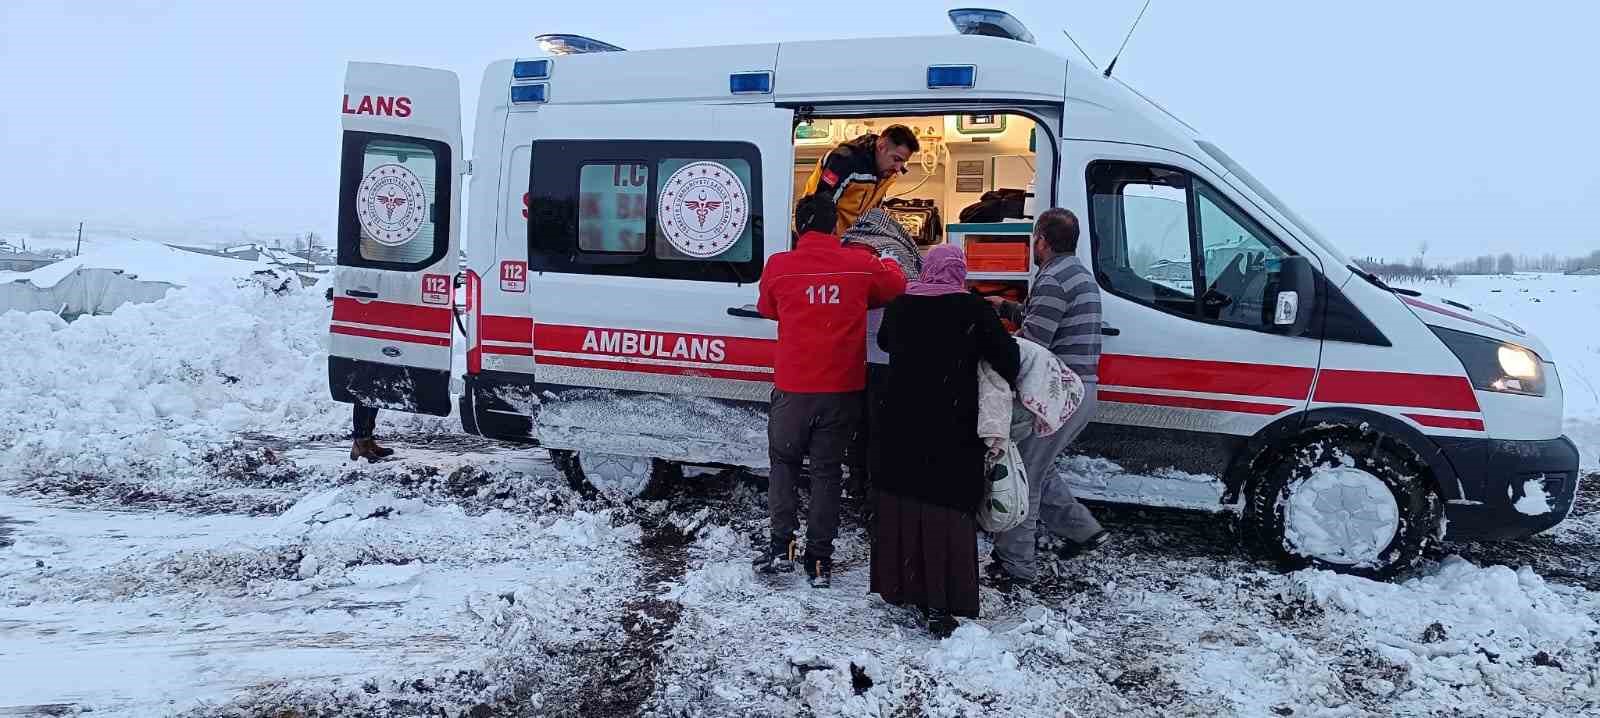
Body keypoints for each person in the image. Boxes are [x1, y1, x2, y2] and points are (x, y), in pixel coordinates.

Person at [755, 194, 907, 588]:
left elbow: (767, 308)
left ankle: (780, 547)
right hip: (842, 389)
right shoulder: (859, 264)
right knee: (826, 473)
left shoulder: (780, 266)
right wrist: (888, 255)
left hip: (794, 388)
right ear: (835, 226)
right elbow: (894, 286)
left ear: (799, 226)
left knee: (784, 465)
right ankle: (819, 560)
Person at [873, 244, 1020, 636]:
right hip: (950, 428)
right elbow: (1009, 359)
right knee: (944, 513)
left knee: (905, 505)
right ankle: (940, 603)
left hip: (901, 425)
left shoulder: (902, 305)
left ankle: (899, 586)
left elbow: (886, 342)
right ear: (959, 273)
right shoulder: (973, 311)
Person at [986, 208, 1109, 586]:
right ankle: (1085, 532)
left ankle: (1015, 566)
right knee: (1041, 465)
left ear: (1042, 239)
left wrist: (989, 349)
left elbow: (1033, 344)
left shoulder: (1053, 279)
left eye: (1034, 239)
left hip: (1059, 394)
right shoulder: (1075, 273)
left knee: (1025, 475)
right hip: (1079, 391)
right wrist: (1006, 307)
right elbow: (1045, 318)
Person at [839, 209, 924, 501]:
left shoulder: (844, 249)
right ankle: (878, 491)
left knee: (856, 423)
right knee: (880, 426)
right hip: (884, 357)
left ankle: (856, 480)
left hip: (848, 353)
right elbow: (909, 295)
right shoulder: (896, 250)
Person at [799, 125, 920, 235]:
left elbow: (872, 209)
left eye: (903, 162)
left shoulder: (887, 171)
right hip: (824, 236)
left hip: (854, 238)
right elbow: (821, 207)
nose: (899, 168)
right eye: (896, 159)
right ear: (881, 147)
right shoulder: (844, 161)